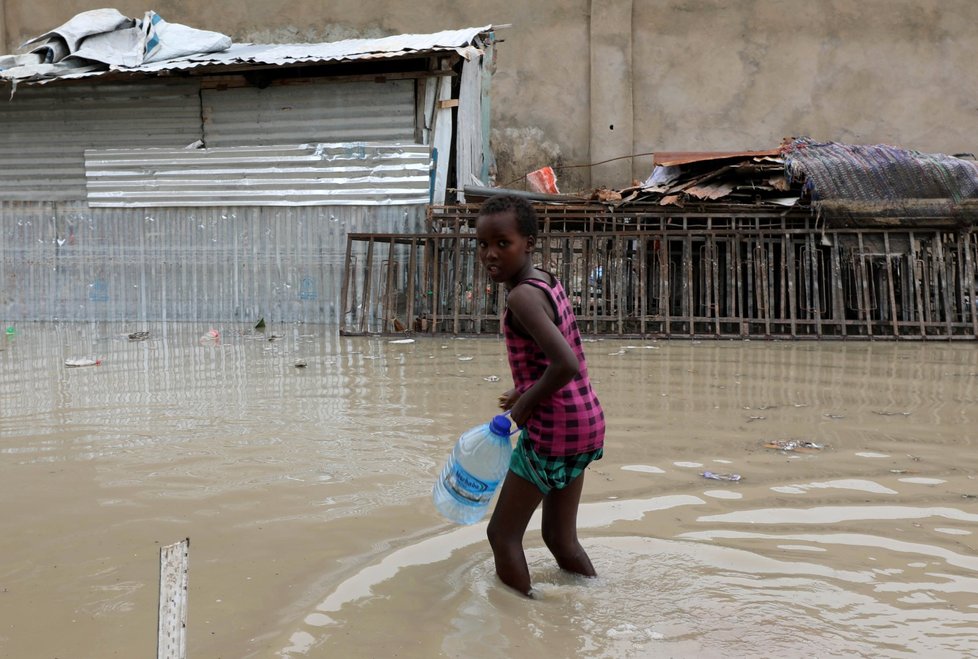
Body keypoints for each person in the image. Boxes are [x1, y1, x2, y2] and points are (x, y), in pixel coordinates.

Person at [476, 194, 606, 597]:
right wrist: (524, 388)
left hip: (554, 431)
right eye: (483, 244)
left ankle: (522, 623)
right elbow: (556, 356)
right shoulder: (546, 281)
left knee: (502, 536)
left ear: (528, 242)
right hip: (586, 423)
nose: (490, 254)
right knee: (560, 539)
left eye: (503, 243)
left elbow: (564, 363)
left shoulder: (520, 297)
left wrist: (524, 404)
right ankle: (593, 600)